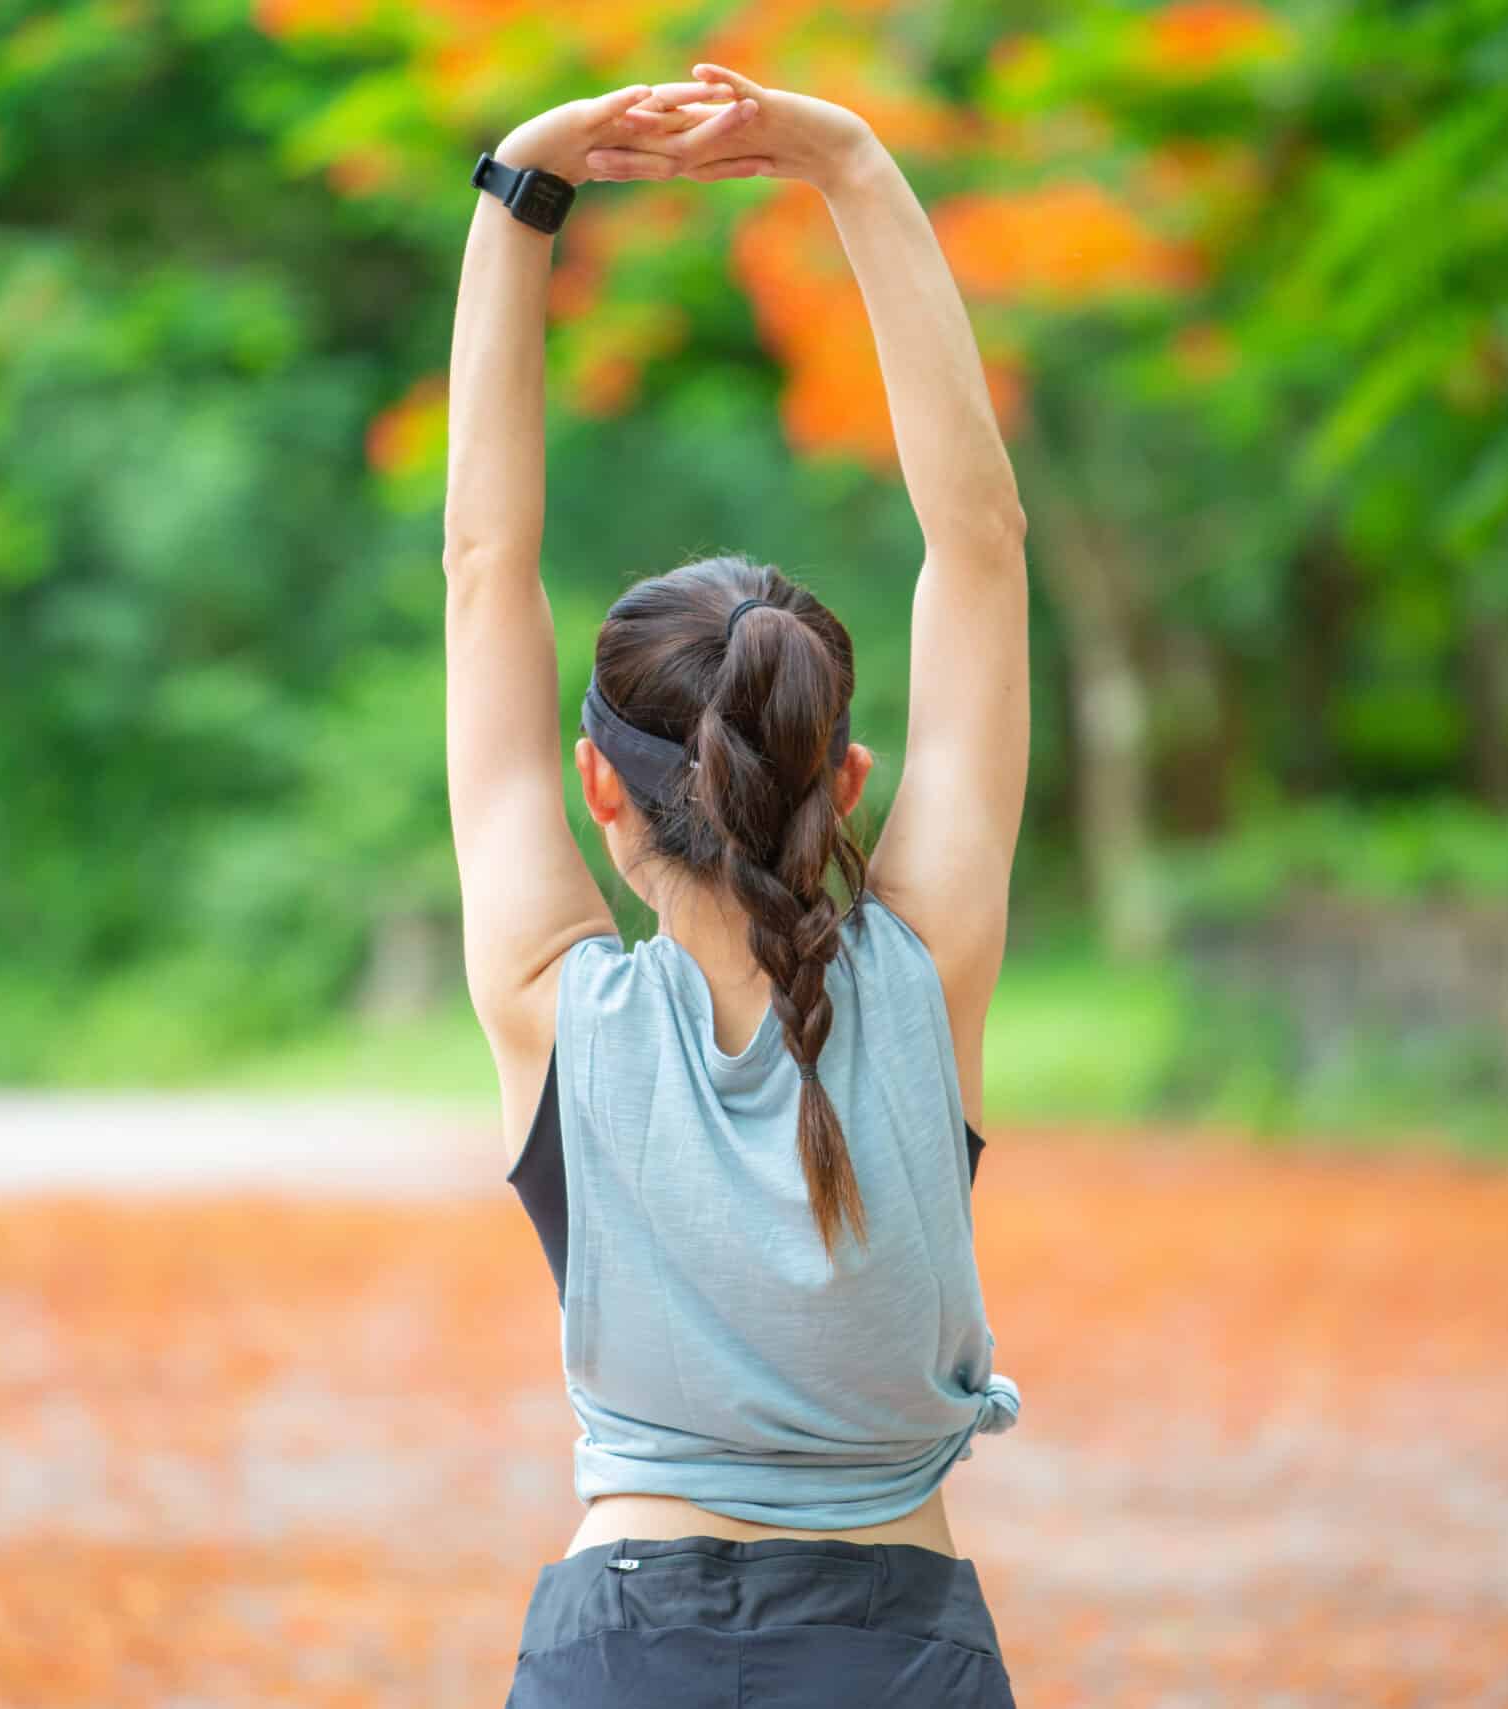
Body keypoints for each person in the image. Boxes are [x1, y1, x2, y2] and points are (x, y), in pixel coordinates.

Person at [441, 61, 1031, 1709]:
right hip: (901, 1658)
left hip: (619, 1653)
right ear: (841, 780)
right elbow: (979, 541)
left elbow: (485, 566)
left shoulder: (553, 1013)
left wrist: (519, 196)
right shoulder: (928, 975)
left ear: (595, 794)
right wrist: (845, 161)